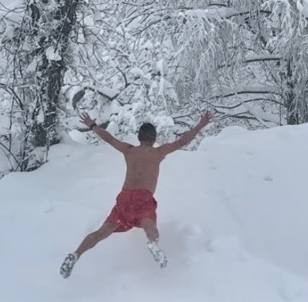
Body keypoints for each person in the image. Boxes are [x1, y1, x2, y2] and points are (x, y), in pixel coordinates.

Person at [59, 111, 213, 278]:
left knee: (102, 232)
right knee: (149, 225)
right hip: (143, 199)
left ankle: (76, 254)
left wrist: (93, 125)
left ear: (139, 137)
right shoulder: (158, 153)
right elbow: (183, 140)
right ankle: (152, 242)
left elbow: (109, 139)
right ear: (153, 139)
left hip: (125, 198)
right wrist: (200, 125)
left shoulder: (129, 150)